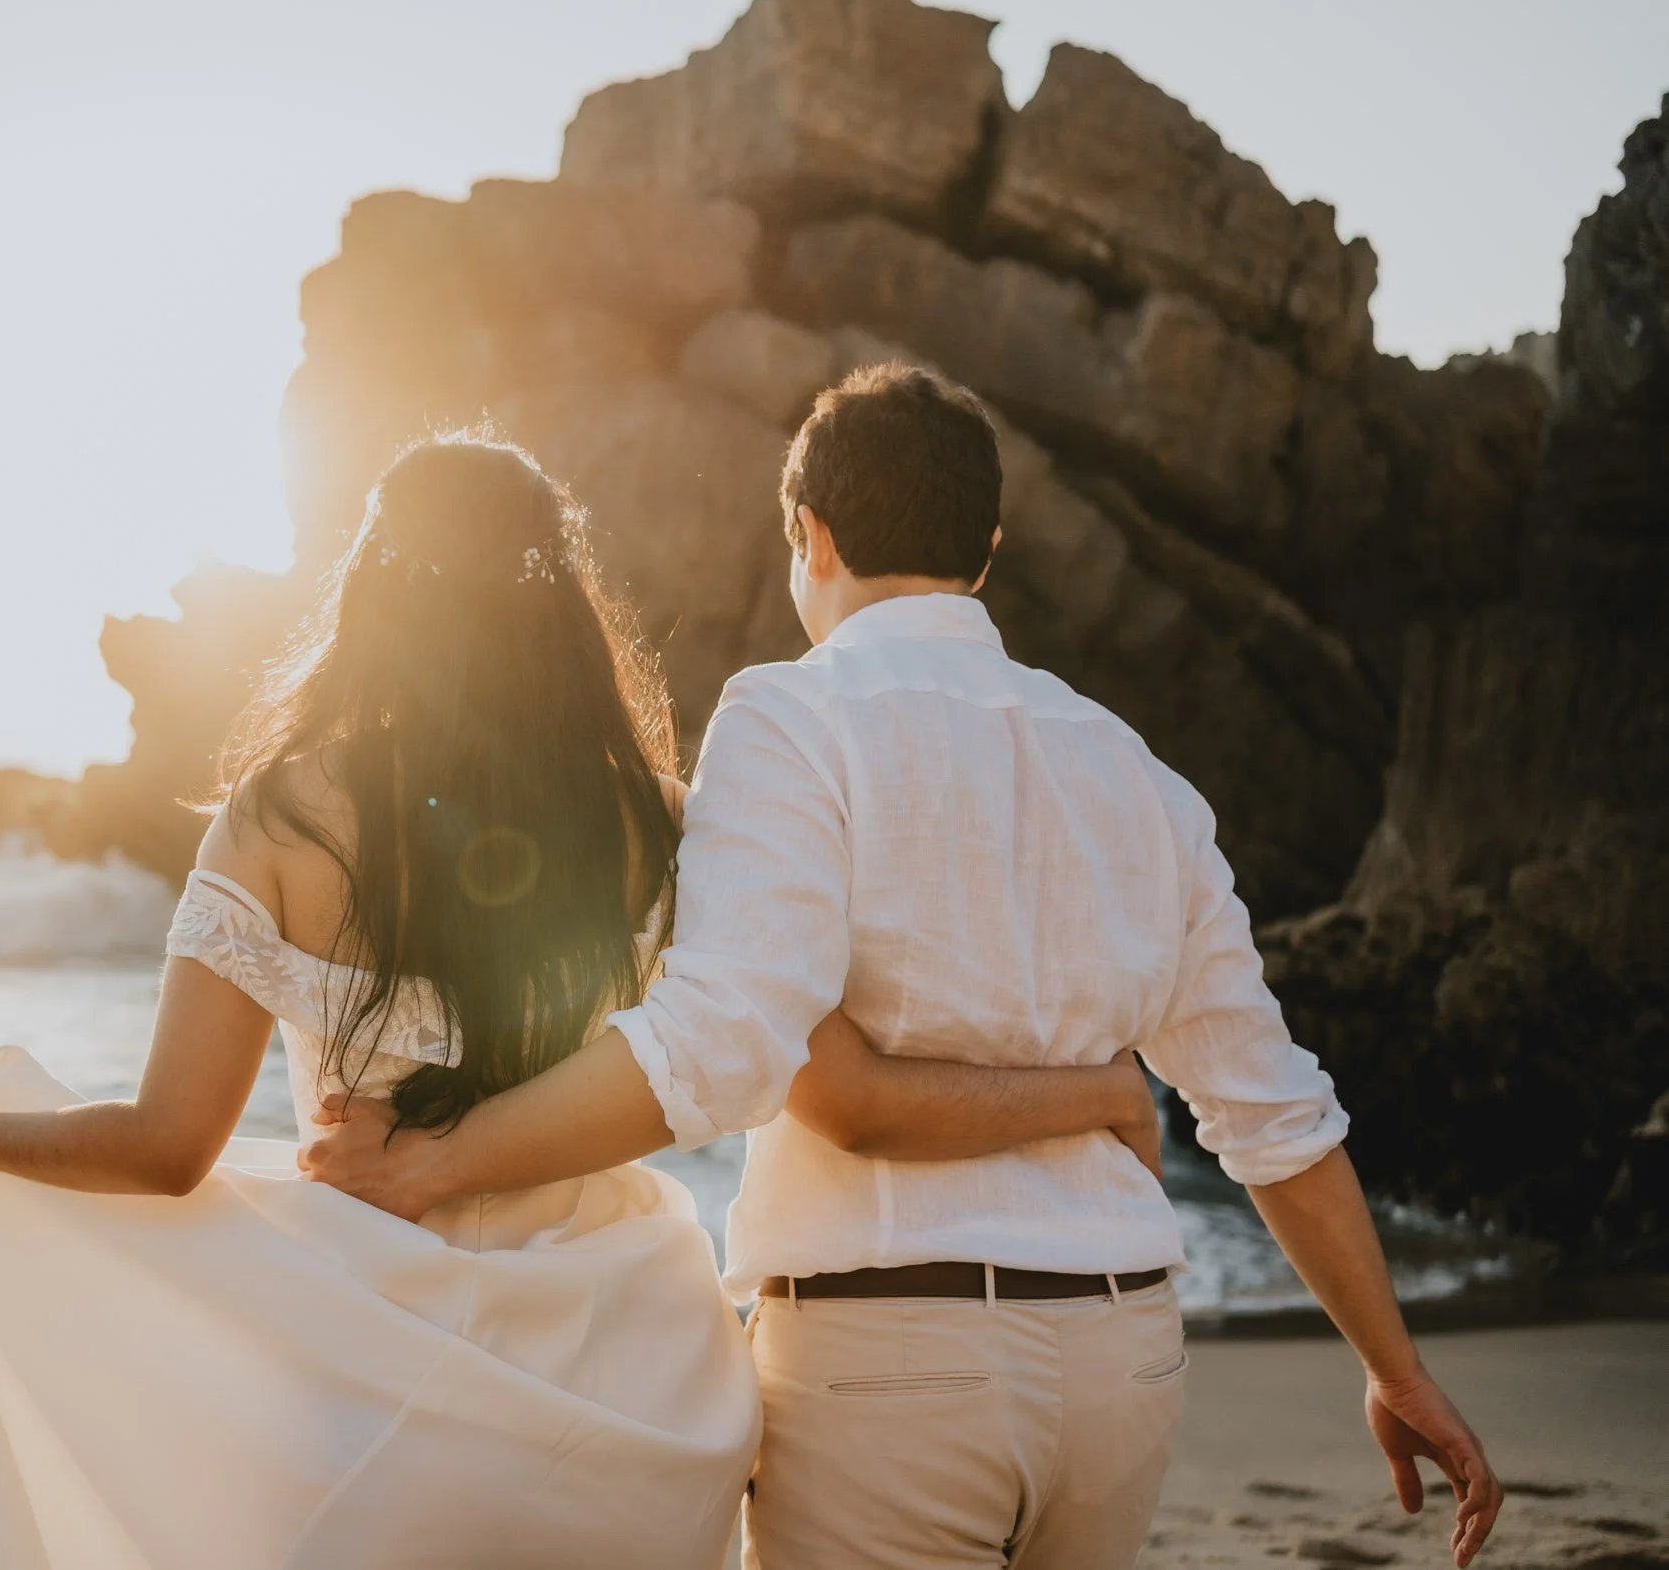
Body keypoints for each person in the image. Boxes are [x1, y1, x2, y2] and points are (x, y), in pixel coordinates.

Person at [0, 435, 1162, 1570]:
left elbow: (163, 1144)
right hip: (628, 1385)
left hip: (371, 1359)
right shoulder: (660, 817)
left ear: (374, 587)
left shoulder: (283, 815)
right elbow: (823, 1071)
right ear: (556, 600)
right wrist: (1093, 1090)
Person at [307, 371, 1505, 1570]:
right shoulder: (1137, 772)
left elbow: (727, 1042)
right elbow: (1272, 1110)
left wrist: (439, 1160)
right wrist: (1393, 1368)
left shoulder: (788, 716)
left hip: (890, 1356)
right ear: (985, 548)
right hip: (1125, 1351)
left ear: (807, 532)